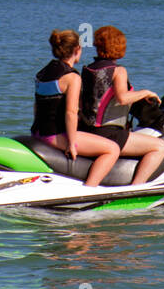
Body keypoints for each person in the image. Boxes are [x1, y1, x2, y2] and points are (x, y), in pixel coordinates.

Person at [80, 26, 164, 185]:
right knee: (159, 146)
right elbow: (122, 98)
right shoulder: (118, 71)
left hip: (87, 131)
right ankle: (136, 188)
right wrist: (146, 92)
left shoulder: (88, 69)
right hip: (108, 132)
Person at [32, 29, 119, 186]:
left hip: (38, 132)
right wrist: (71, 144)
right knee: (112, 149)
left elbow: (37, 107)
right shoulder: (72, 77)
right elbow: (71, 112)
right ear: (77, 50)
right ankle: (89, 190)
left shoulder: (42, 73)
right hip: (54, 135)